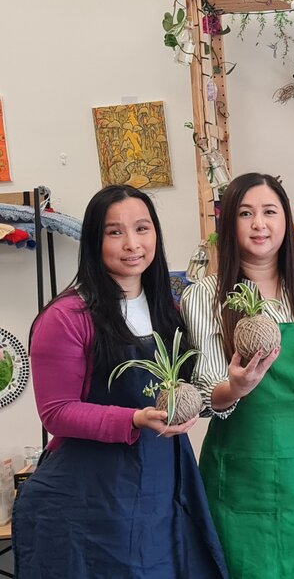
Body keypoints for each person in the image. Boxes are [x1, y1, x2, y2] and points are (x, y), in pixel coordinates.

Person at [13, 185, 227, 578]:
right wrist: (134, 419)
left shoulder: (170, 308)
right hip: (92, 500)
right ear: (94, 240)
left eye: (142, 228)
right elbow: (56, 413)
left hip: (164, 488)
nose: (132, 244)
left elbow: (192, 387)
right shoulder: (67, 317)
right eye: (115, 232)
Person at [181, 173, 294, 578]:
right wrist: (235, 387)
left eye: (270, 212)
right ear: (228, 224)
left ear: (286, 220)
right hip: (238, 470)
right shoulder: (204, 294)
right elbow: (206, 393)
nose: (259, 224)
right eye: (245, 213)